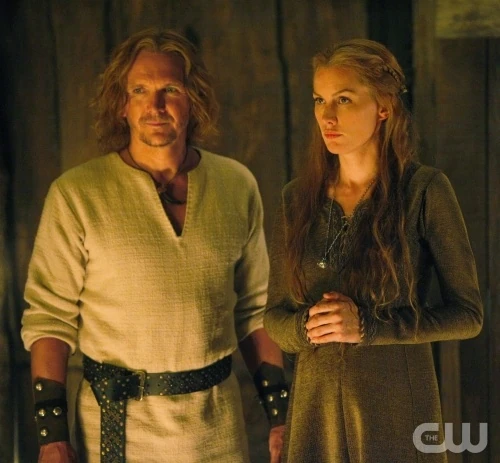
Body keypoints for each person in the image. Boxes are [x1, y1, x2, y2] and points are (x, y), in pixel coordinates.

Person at [21, 29, 288, 463]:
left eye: (171, 90)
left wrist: (280, 417)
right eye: (140, 90)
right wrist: (52, 439)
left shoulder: (236, 185)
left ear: (193, 99)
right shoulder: (77, 194)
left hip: (217, 430)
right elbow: (50, 319)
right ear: (121, 104)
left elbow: (256, 310)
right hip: (117, 431)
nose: (156, 105)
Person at [263, 38, 483, 463]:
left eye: (344, 99)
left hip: (397, 412)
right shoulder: (297, 199)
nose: (327, 116)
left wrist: (368, 327)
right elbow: (275, 317)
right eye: (319, 100)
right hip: (315, 415)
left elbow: (468, 316)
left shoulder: (424, 190)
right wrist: (306, 328)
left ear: (383, 106)